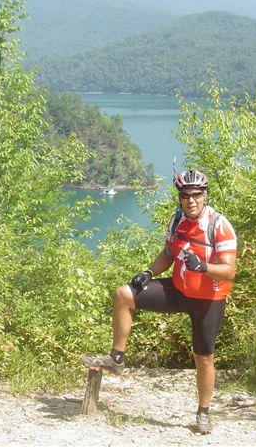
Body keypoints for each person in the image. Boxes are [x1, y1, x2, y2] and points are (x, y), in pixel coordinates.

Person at [81, 168, 237, 435]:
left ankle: (203, 412)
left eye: (196, 195)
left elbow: (229, 271)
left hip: (208, 299)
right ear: (179, 198)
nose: (191, 201)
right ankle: (116, 358)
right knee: (123, 295)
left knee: (204, 358)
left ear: (205, 195)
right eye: (185, 195)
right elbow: (168, 252)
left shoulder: (218, 225)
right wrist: (150, 272)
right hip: (178, 291)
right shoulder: (177, 220)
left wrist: (203, 266)